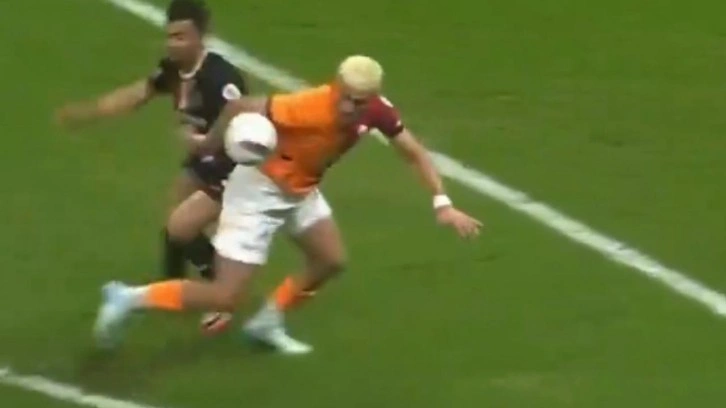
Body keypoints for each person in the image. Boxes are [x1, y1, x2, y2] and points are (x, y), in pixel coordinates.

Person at [92, 55, 482, 354]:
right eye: (344, 97)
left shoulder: (378, 111)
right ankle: (129, 298)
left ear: (372, 100)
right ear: (336, 87)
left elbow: (413, 152)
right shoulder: (311, 106)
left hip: (301, 189)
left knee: (329, 261)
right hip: (259, 192)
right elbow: (239, 107)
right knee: (225, 295)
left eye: (358, 102)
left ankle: (267, 322)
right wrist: (208, 145)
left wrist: (442, 202)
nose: (349, 108)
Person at [56, 0, 248, 332]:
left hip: (231, 164)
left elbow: (244, 125)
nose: (173, 44)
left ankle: (219, 296)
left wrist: (207, 145)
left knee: (182, 225)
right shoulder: (174, 69)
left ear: (201, 37)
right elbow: (138, 93)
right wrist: (90, 112)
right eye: (170, 36)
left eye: (181, 37)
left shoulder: (220, 79)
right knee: (175, 215)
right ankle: (173, 288)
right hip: (203, 158)